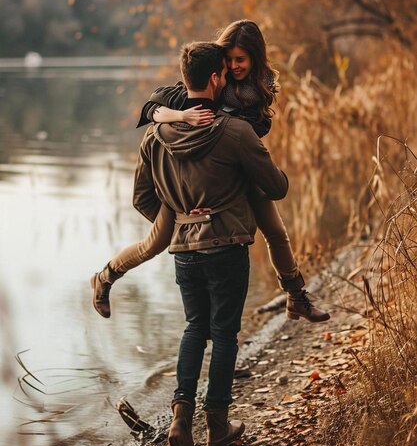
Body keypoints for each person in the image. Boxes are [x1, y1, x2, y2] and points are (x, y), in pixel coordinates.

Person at [91, 20, 330, 323]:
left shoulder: (262, 87)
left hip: (239, 170)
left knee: (276, 232)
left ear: (255, 57)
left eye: (240, 59)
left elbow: (257, 130)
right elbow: (152, 107)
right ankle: (105, 277)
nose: (234, 65)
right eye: (228, 59)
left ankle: (296, 298)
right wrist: (188, 219)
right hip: (198, 184)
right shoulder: (212, 81)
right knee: (154, 243)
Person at [133, 41, 289, 446]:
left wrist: (185, 219)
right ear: (217, 78)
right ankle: (217, 429)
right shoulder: (236, 132)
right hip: (227, 246)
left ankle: (181, 420)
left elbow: (142, 199)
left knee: (193, 328)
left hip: (184, 250)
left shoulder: (154, 137)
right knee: (223, 335)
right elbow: (275, 188)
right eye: (225, 72)